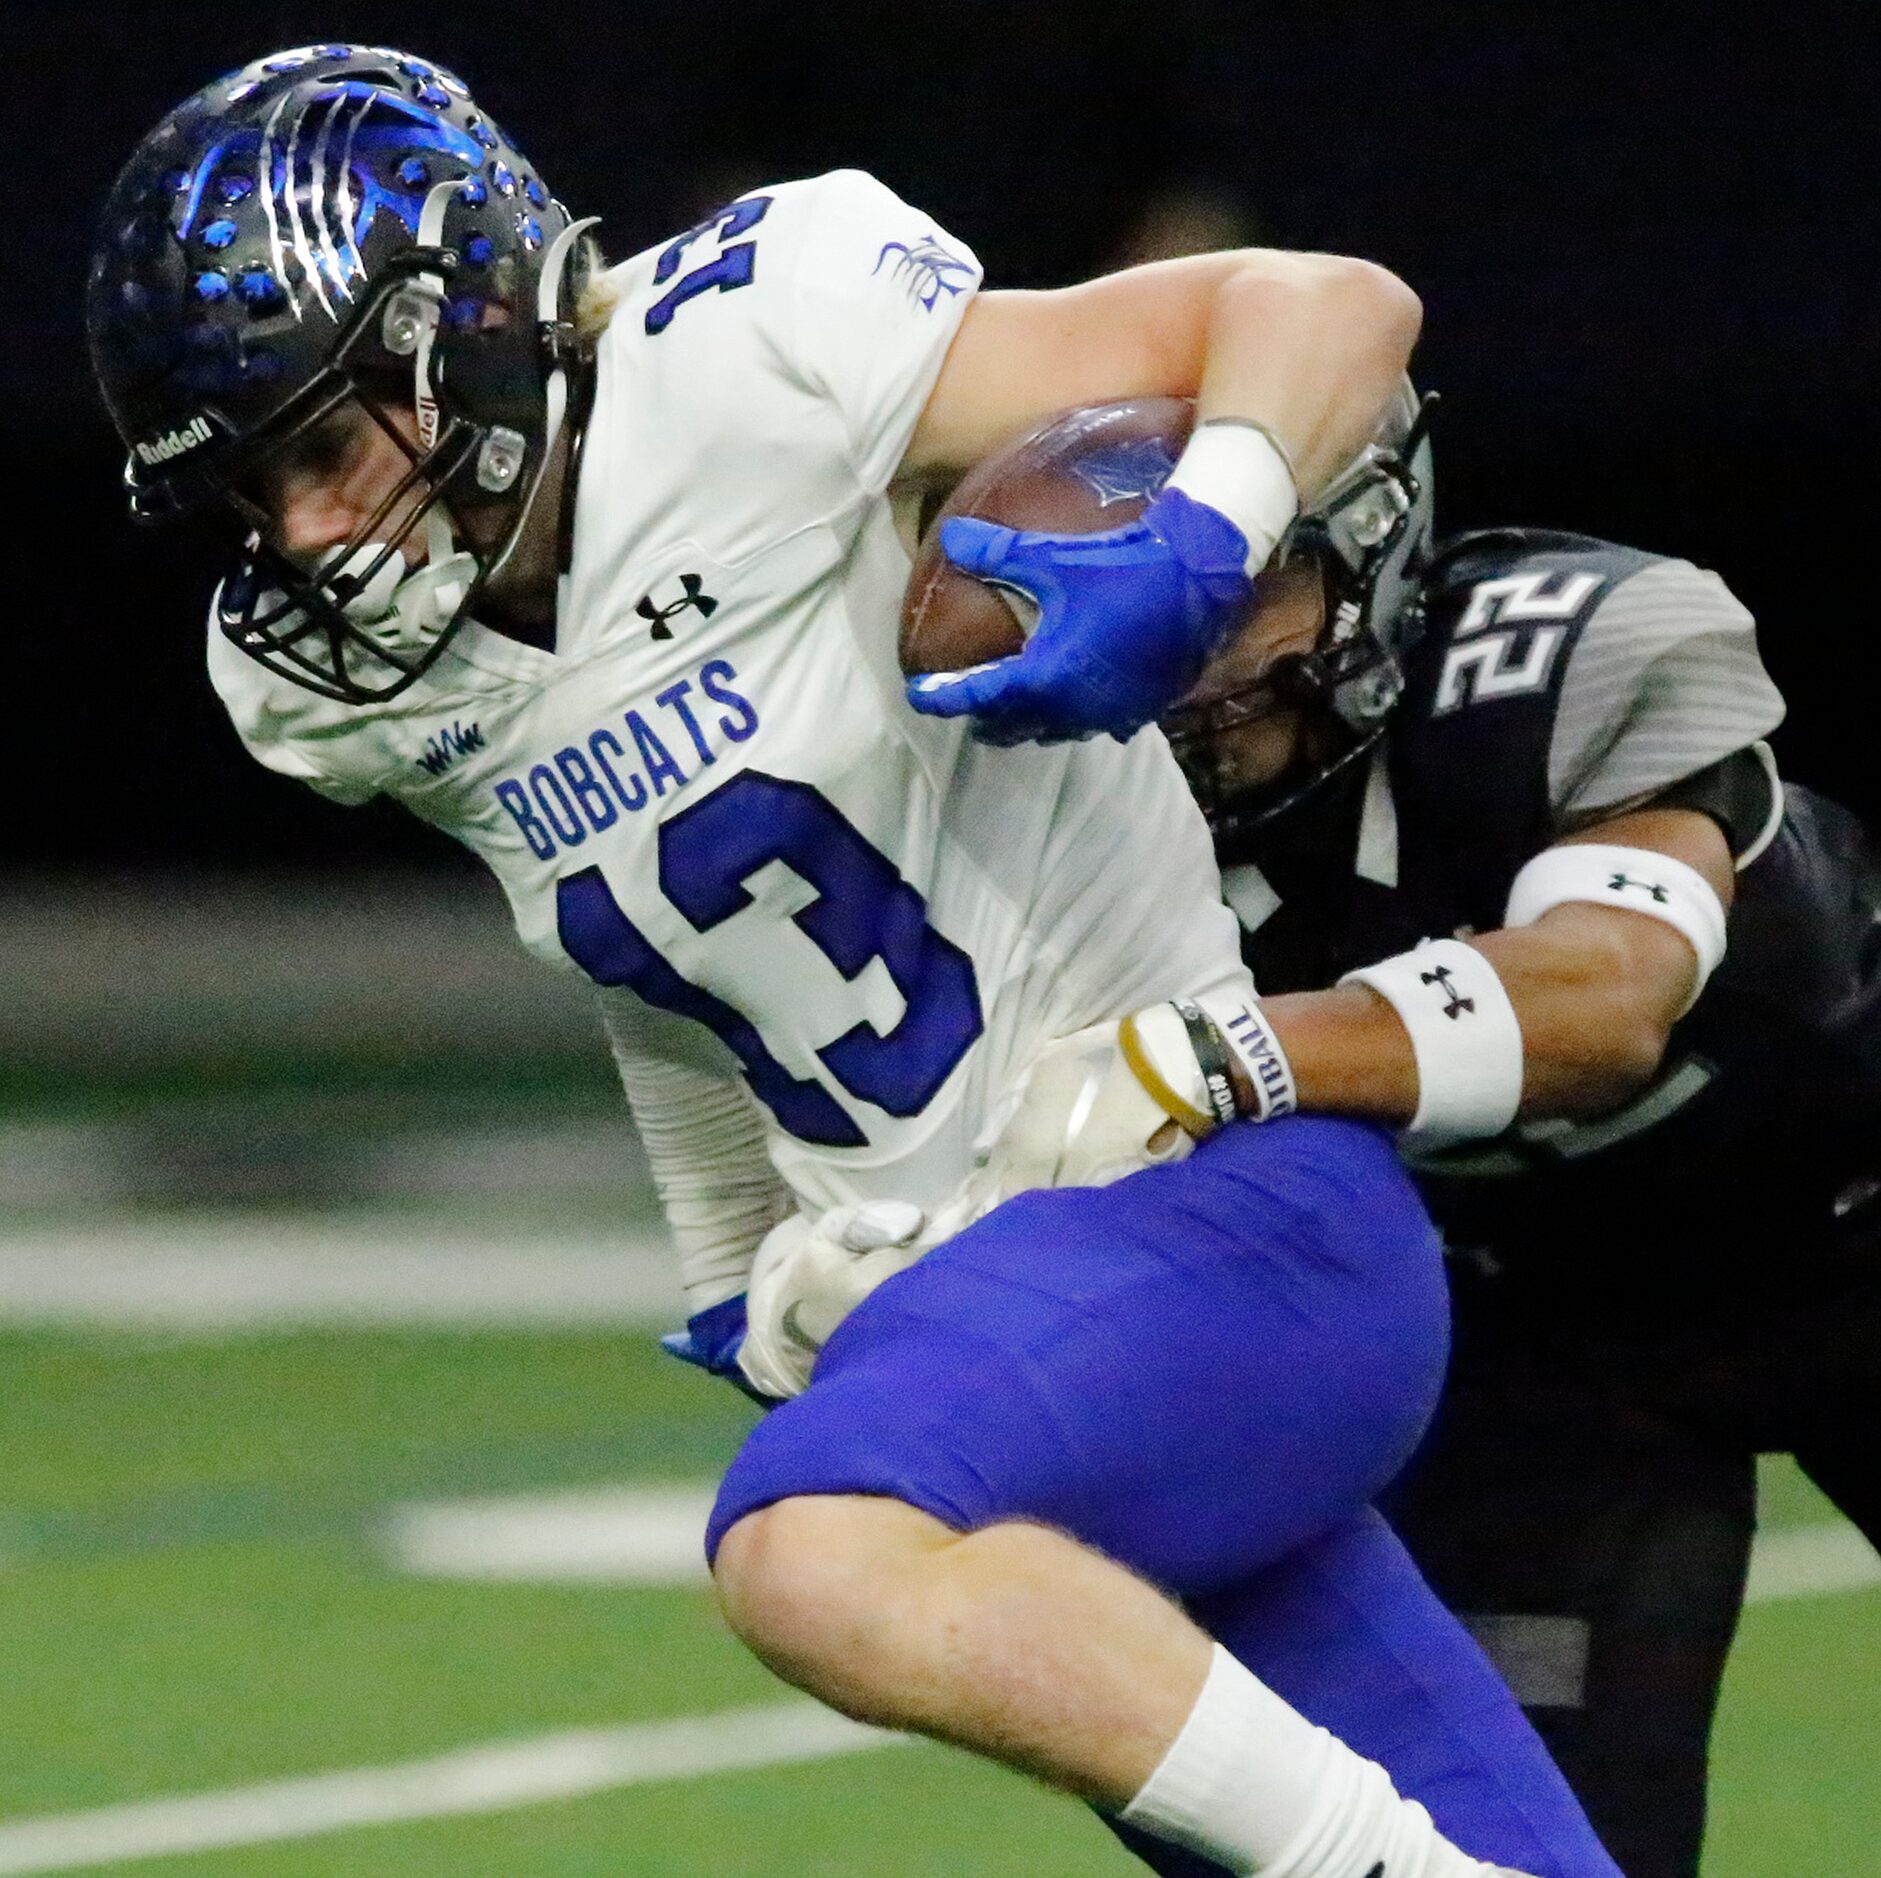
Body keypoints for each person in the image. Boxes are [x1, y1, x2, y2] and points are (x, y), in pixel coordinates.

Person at [87, 46, 1624, 1878]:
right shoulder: (339, 686)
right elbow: (646, 956)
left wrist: (1204, 533)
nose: (306, 532)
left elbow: (1327, 309)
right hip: (1014, 1317)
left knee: (811, 1547)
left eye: (324, 448)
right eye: (252, 494)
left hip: (1212, 1207)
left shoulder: (755, 338)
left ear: (473, 323)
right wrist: (740, 1274)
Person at [1151, 399, 1881, 1878]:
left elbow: (1601, 1004)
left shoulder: (1564, 646)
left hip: (1849, 1214)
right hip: (1532, 1329)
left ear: (1365, 560)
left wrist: (1181, 1061)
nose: (1180, 660)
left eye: (1237, 599)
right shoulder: (1051, 782)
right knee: (1508, 1830)